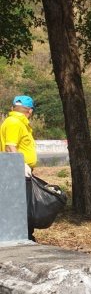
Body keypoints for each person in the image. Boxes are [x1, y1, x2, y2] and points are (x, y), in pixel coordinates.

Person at [1, 95, 38, 240]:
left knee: (24, 205)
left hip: (20, 171)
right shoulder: (14, 123)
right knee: (21, 206)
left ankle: (26, 235)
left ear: (12, 108)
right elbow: (10, 146)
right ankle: (23, 236)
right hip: (16, 172)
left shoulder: (18, 122)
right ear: (30, 111)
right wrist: (20, 166)